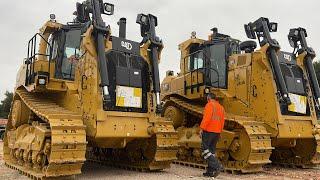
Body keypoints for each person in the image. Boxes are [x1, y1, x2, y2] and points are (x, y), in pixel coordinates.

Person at [200, 93, 225, 178]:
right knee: (212, 151)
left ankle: (217, 165)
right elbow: (222, 121)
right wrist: (220, 132)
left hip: (209, 131)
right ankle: (210, 171)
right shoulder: (221, 107)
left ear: (209, 98)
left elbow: (206, 118)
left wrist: (202, 128)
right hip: (217, 132)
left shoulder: (209, 105)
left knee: (205, 150)